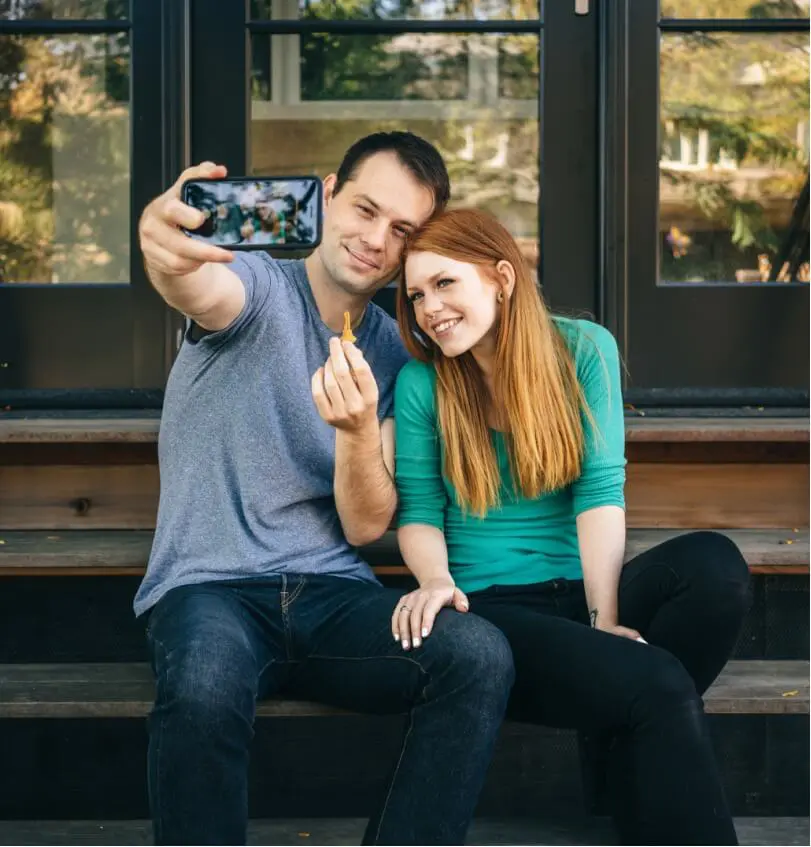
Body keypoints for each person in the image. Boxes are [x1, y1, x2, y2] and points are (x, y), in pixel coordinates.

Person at [135, 135, 514, 846]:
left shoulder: (399, 352)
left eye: (401, 231)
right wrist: (164, 243)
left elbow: (367, 525)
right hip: (210, 586)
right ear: (329, 190)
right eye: (366, 209)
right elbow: (192, 283)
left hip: (334, 595)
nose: (376, 240)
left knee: (477, 655)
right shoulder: (252, 285)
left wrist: (355, 431)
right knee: (204, 688)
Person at [392, 207, 751, 846]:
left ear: (501, 277)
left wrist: (604, 622)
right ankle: (632, 738)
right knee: (660, 683)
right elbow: (419, 512)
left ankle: (621, 745)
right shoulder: (424, 383)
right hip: (494, 612)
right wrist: (437, 580)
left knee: (716, 567)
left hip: (579, 592)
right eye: (416, 294)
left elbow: (600, 491)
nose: (429, 308)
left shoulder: (585, 350)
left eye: (445, 284)